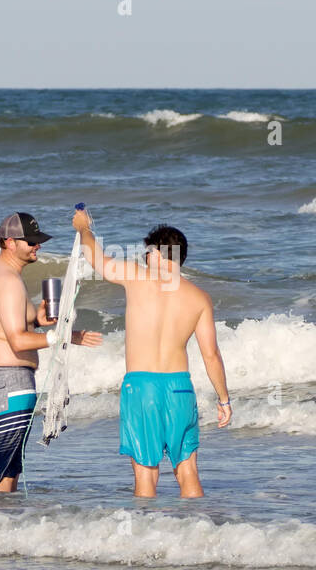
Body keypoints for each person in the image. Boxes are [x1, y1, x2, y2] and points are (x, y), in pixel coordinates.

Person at [73, 208, 231, 498]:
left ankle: (148, 537)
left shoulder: (137, 277)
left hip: (142, 387)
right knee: (188, 471)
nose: (144, 259)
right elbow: (211, 355)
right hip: (180, 388)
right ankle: (198, 531)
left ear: (159, 255)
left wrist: (84, 229)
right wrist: (224, 399)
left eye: (147, 254)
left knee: (146, 475)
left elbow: (98, 260)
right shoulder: (199, 297)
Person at [0, 212, 102, 491]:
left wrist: (38, 317)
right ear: (9, 242)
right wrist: (63, 336)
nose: (36, 246)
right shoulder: (9, 282)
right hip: (9, 381)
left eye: (37, 241)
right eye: (29, 241)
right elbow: (17, 341)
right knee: (3, 474)